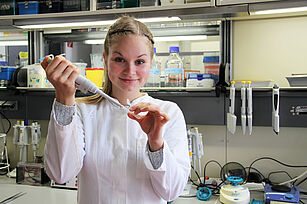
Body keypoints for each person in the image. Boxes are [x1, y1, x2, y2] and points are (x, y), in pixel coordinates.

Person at [42, 16, 190, 204]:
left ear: (151, 61)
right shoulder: (79, 111)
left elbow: (172, 191)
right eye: (120, 59)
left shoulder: (168, 113)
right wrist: (64, 100)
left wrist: (156, 143)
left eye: (140, 62)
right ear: (105, 59)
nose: (130, 71)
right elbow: (60, 174)